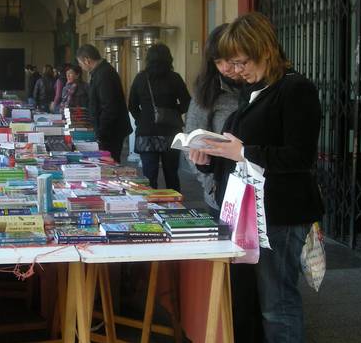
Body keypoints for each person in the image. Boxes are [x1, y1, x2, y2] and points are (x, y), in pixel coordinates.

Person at [189, 12, 324, 343]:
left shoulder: (295, 89)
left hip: (281, 213)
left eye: (241, 61)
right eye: (232, 63)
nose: (237, 69)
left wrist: (243, 150)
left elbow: (300, 156)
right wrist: (209, 156)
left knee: (277, 305)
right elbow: (241, 153)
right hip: (253, 212)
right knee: (263, 301)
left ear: (265, 49)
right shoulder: (255, 90)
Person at [184, 24, 245, 215]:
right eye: (218, 62)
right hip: (222, 194)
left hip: (260, 191)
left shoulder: (259, 88)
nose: (225, 68)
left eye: (229, 59)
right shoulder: (207, 92)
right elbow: (191, 140)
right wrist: (211, 184)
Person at [128, 44, 190, 191]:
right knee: (172, 174)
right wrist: (174, 112)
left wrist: (141, 119)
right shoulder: (175, 78)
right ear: (169, 59)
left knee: (149, 176)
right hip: (171, 132)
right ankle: (175, 206)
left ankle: (151, 208)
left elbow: (132, 105)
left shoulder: (140, 78)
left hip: (147, 133)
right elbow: (188, 103)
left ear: (148, 59)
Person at [76, 44, 132, 163]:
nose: (81, 66)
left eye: (80, 63)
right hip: (108, 130)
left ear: (87, 60)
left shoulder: (104, 74)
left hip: (110, 132)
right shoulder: (100, 72)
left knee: (109, 164)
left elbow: (109, 107)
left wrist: (101, 134)